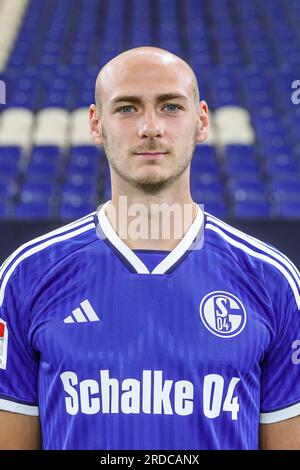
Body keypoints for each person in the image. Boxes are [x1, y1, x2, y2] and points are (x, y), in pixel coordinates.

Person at [0, 46, 299, 450]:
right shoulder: (26, 275)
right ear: (95, 123)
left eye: (171, 107)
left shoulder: (272, 280)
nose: (150, 127)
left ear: (201, 121)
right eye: (126, 109)